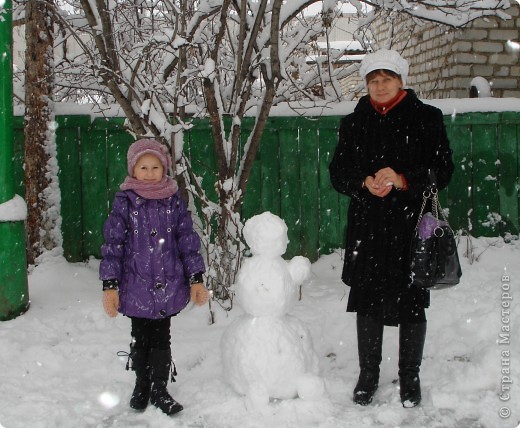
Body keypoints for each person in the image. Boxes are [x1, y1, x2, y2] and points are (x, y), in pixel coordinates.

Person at [329, 49, 454, 408]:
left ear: (401, 80)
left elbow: (442, 170)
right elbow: (338, 173)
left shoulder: (426, 119)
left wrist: (403, 179)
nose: (380, 86)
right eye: (373, 81)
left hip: (411, 228)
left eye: (386, 79)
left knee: (412, 302)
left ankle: (409, 377)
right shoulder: (355, 121)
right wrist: (363, 182)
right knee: (367, 302)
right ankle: (368, 376)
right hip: (368, 227)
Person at [99, 138, 209, 415]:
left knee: (161, 337)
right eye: (143, 167)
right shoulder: (125, 200)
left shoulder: (172, 200)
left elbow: (186, 239)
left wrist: (195, 278)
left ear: (165, 169)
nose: (149, 173)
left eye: (155, 167)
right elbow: (113, 244)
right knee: (140, 336)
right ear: (133, 170)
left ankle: (159, 386)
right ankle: (141, 383)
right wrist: (110, 285)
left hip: (167, 284)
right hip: (135, 285)